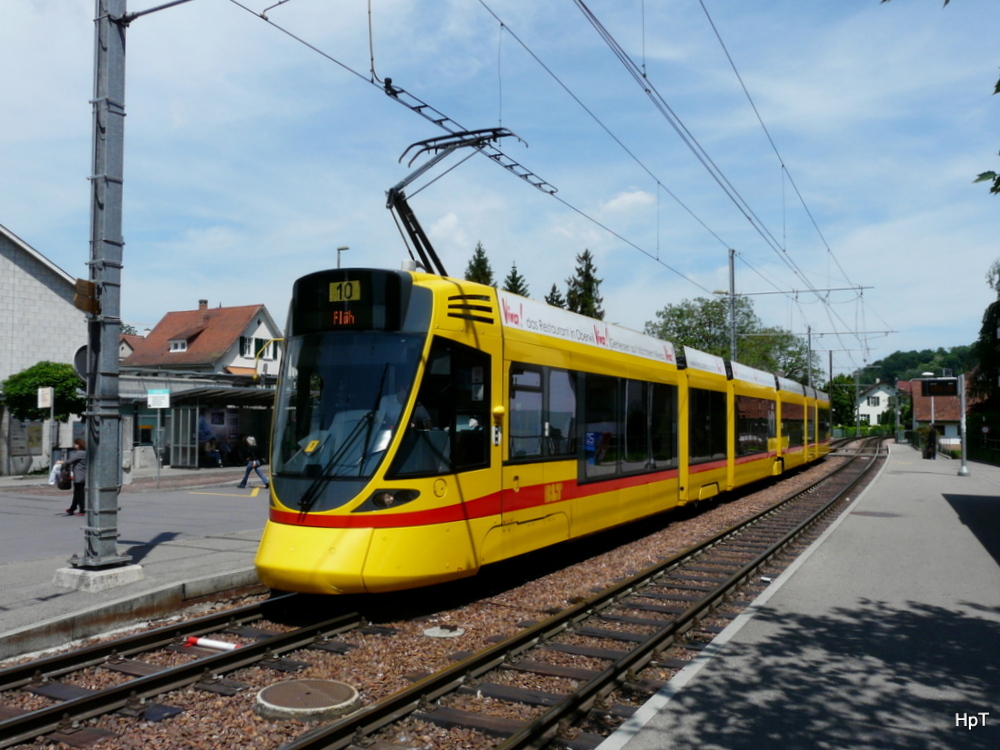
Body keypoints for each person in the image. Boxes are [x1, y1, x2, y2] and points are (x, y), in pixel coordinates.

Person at [64, 438, 87, 516]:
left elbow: (69, 461)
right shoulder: (85, 452)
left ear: (79, 445)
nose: (74, 445)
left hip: (79, 476)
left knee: (80, 494)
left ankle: (82, 510)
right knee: (76, 493)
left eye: (76, 444)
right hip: (83, 476)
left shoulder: (80, 453)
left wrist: (61, 462)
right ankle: (72, 508)